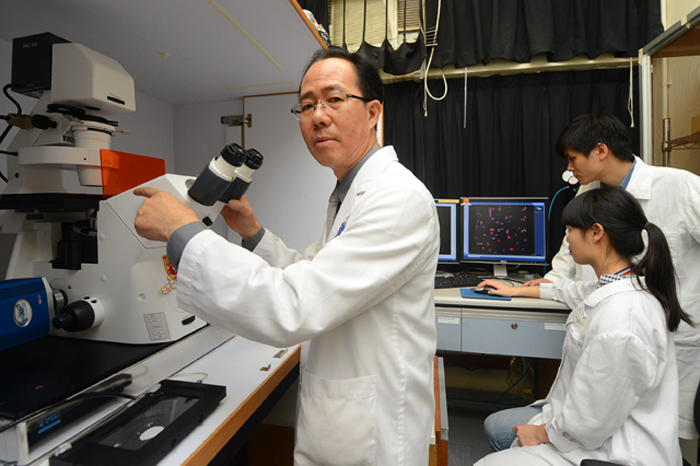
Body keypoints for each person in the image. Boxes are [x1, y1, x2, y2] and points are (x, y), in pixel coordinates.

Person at [133, 47, 440, 466]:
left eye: (334, 99)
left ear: (372, 113)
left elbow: (294, 305)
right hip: (346, 416)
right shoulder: (349, 193)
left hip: (374, 433)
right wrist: (252, 233)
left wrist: (180, 231)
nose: (317, 116)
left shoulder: (396, 198)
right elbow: (311, 274)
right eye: (307, 105)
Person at [474, 186, 692, 466]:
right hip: (593, 424)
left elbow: (589, 422)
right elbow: (574, 290)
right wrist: (518, 290)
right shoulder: (626, 284)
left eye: (569, 230)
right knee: (499, 426)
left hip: (612, 452)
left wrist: (541, 433)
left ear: (596, 233)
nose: (567, 240)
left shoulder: (623, 322)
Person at [524, 113, 700, 441]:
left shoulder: (679, 187)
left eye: (572, 158)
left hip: (675, 333)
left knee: (658, 431)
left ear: (601, 151)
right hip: (608, 319)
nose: (569, 168)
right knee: (608, 420)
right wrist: (549, 283)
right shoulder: (589, 193)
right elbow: (568, 254)